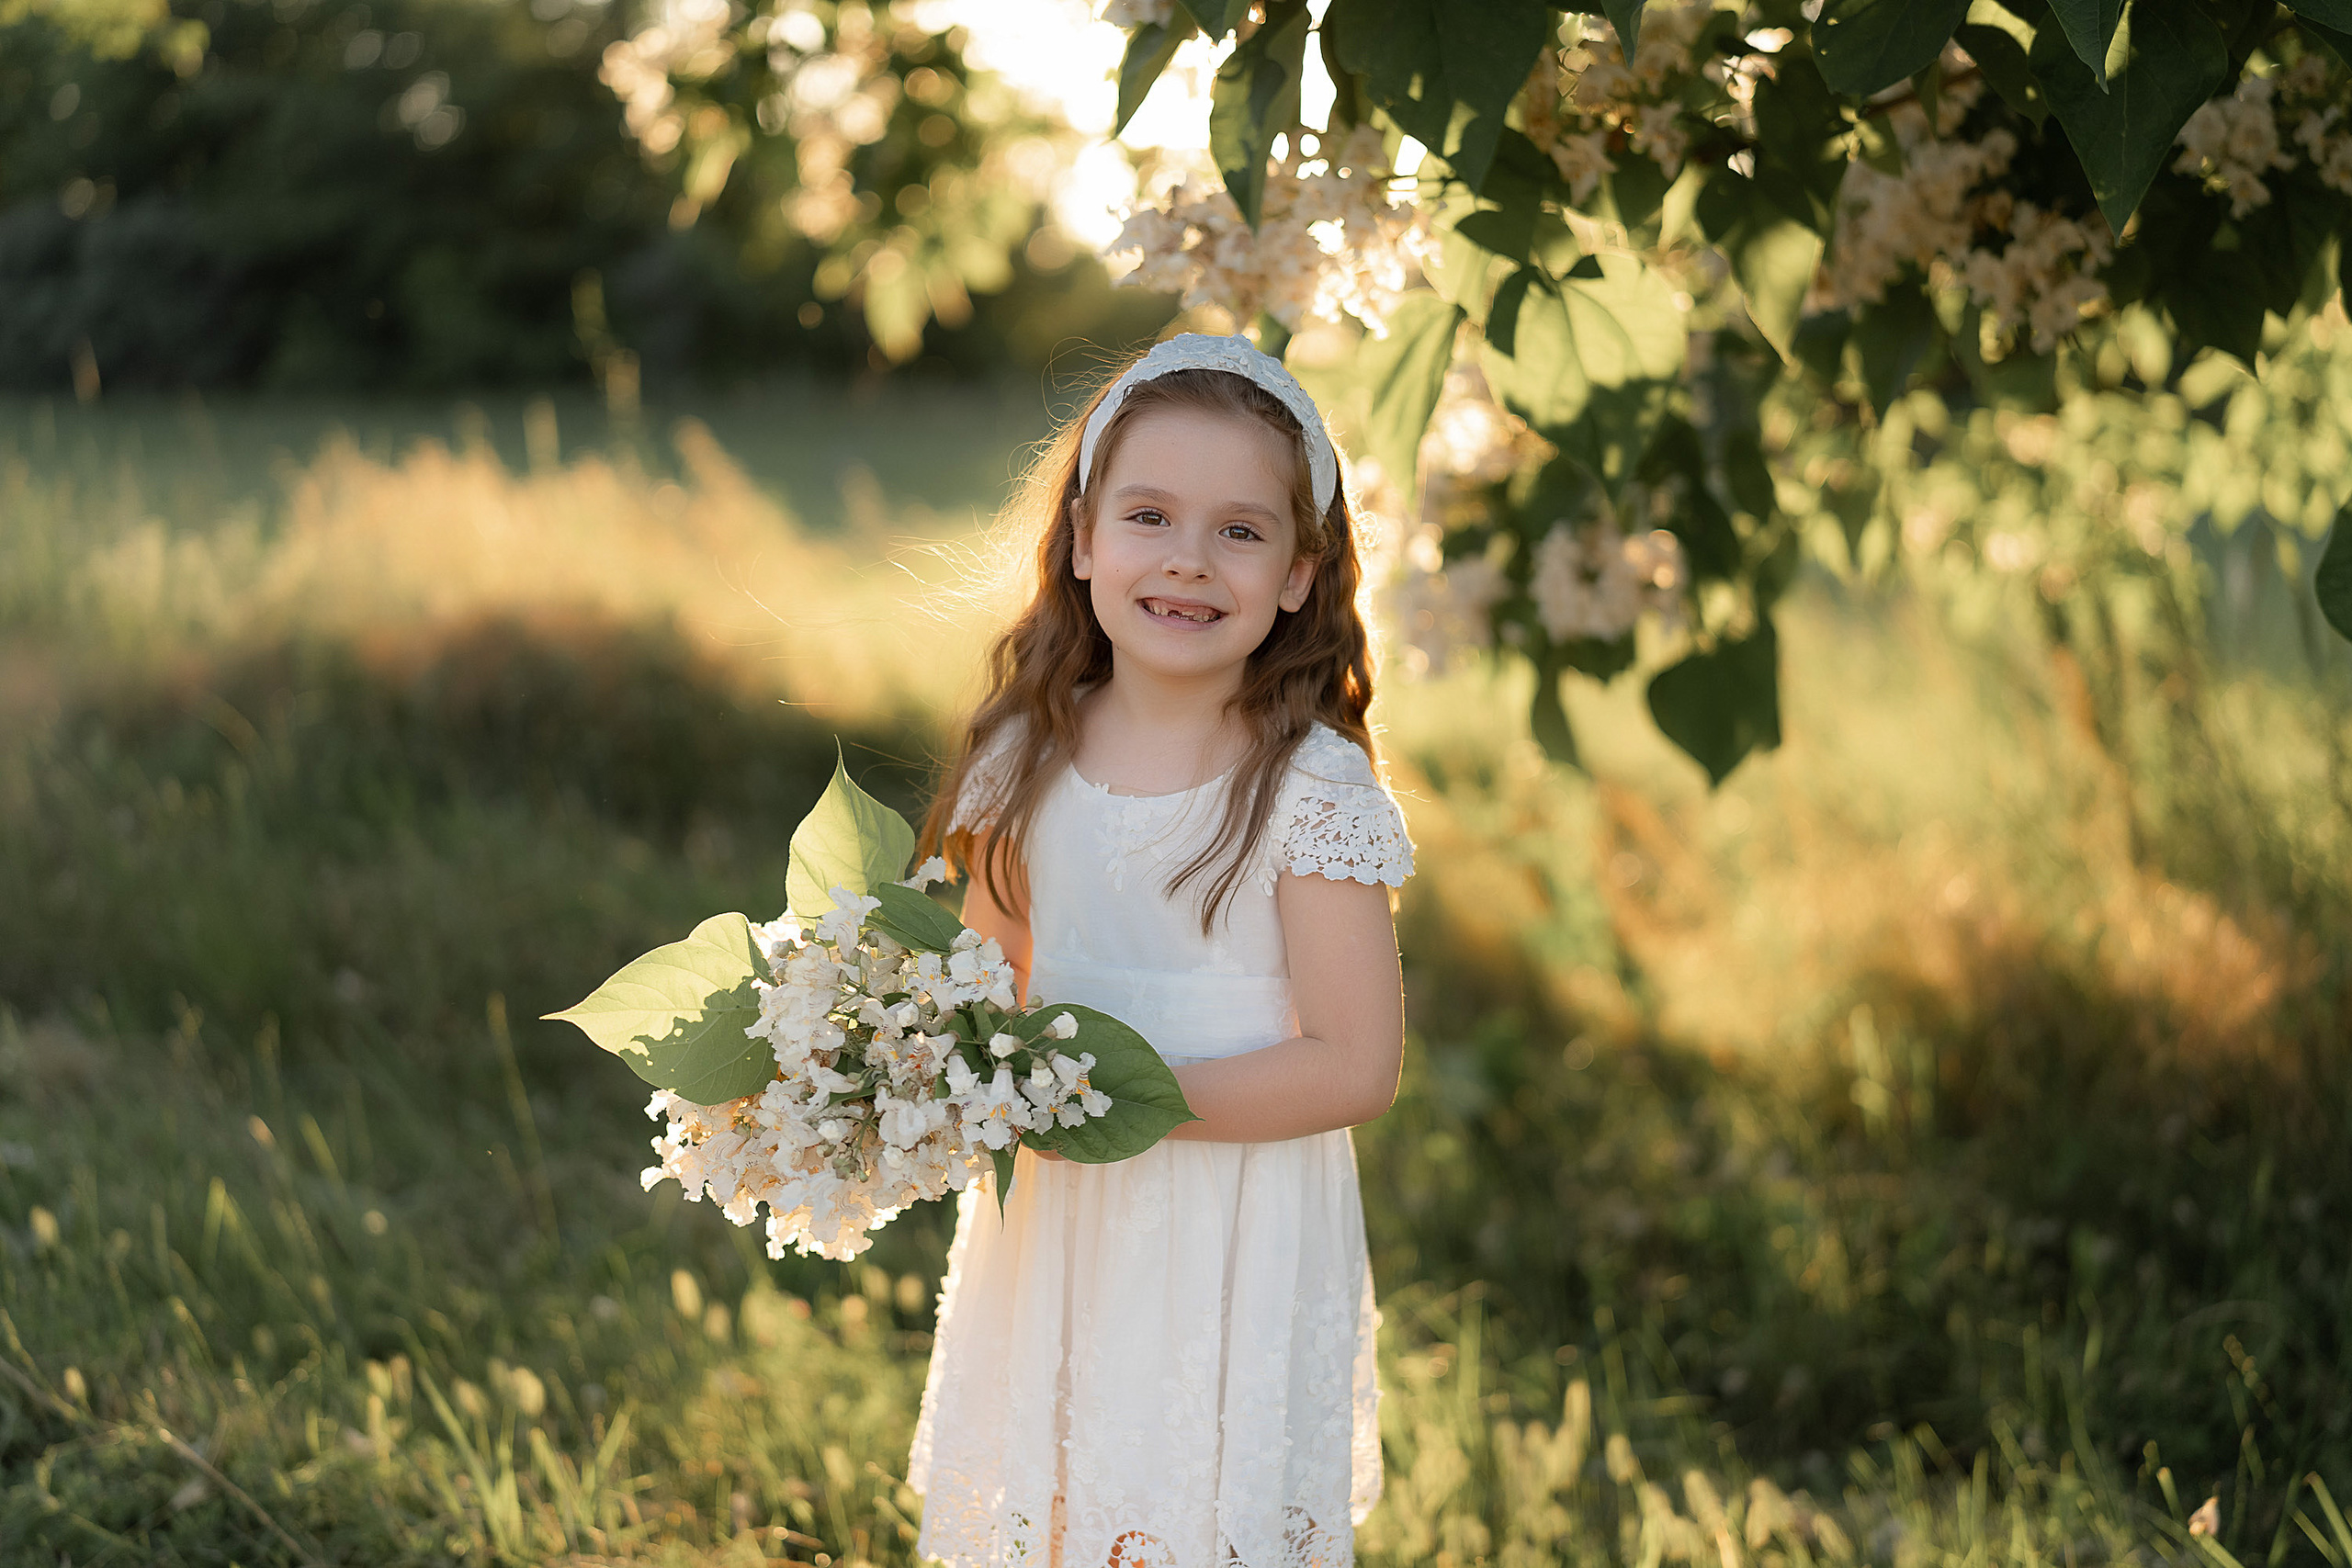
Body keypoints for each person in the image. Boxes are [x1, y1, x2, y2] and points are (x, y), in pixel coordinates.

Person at [904, 333, 1416, 1568]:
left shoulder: (1309, 786)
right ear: (1084, 542)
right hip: (1062, 1221)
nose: (1189, 559)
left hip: (1231, 1220)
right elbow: (982, 996)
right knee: (1063, 1496)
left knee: (1198, 1505)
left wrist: (1113, 1097)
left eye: (1241, 532)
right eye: (1149, 515)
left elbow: (1356, 1064)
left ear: (1299, 574)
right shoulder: (1022, 755)